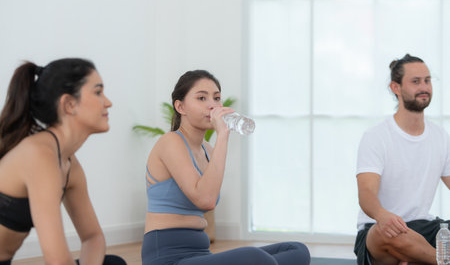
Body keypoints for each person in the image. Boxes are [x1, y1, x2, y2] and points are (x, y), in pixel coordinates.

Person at [142, 70, 310, 265]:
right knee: (255, 258)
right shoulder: (170, 141)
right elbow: (206, 200)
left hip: (201, 254)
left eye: (217, 98)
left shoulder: (208, 149)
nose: (212, 105)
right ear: (180, 107)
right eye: (202, 98)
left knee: (296, 250)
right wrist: (223, 134)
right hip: (168, 258)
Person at [0, 59, 126, 265]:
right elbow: (57, 261)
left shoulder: (68, 163)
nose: (108, 102)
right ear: (69, 104)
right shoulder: (39, 154)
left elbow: (92, 238)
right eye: (98, 92)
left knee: (111, 263)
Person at [354, 54, 450, 265]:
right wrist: (382, 215)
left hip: (425, 227)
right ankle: (440, 260)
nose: (424, 87)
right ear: (395, 88)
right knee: (386, 234)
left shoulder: (441, 136)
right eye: (416, 82)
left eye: (427, 80)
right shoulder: (376, 137)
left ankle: (416, 259)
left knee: (440, 234)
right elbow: (366, 193)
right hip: (382, 229)